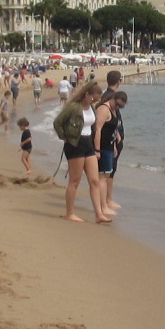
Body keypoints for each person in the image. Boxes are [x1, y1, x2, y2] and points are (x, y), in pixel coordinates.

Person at [55, 82, 110, 224]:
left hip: (88, 144)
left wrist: (95, 146)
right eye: (94, 98)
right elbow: (58, 122)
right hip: (75, 144)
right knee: (75, 181)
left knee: (94, 180)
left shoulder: (91, 107)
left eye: (97, 100)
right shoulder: (73, 107)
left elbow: (93, 127)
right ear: (86, 95)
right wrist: (64, 137)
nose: (95, 101)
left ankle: (99, 214)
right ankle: (70, 213)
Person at [97, 89, 127, 211]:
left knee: (107, 174)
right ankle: (103, 206)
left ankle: (105, 204)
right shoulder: (104, 109)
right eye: (117, 104)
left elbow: (112, 130)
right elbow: (98, 130)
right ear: (113, 98)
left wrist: (114, 145)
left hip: (109, 146)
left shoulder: (113, 110)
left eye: (121, 107)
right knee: (103, 177)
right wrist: (97, 150)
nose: (118, 107)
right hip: (102, 147)